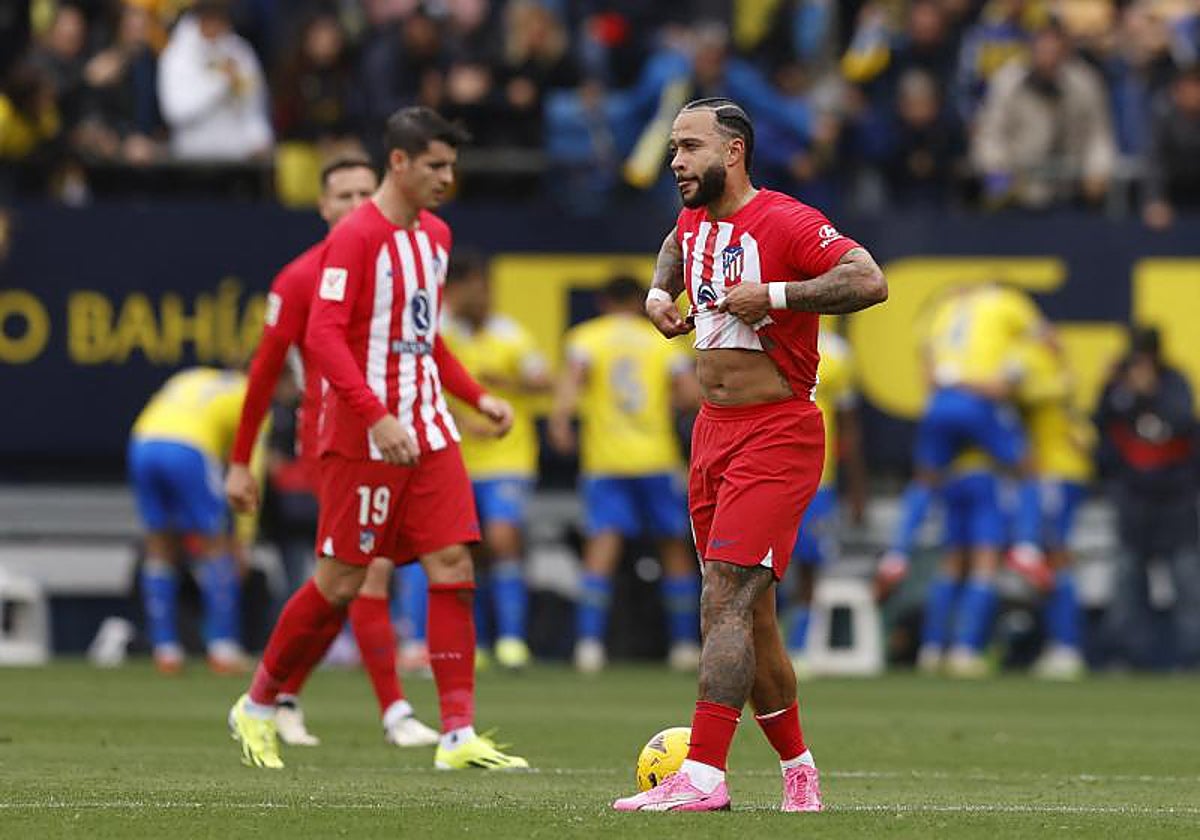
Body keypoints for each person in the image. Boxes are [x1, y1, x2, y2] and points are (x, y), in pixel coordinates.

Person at [227, 106, 528, 772]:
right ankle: (258, 703)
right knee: (340, 580)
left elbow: (424, 339)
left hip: (427, 427)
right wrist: (374, 415)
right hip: (364, 437)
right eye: (436, 166)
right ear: (401, 162)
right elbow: (323, 338)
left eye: (452, 166)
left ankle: (455, 733)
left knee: (454, 565)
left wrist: (477, 396)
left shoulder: (438, 237)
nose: (448, 178)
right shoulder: (355, 240)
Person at [613, 97, 887, 813]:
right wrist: (655, 292)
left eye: (689, 147)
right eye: (673, 146)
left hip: (776, 432)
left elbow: (868, 279)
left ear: (732, 152)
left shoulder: (786, 221)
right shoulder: (695, 220)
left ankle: (703, 773)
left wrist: (779, 293)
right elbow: (677, 244)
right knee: (751, 616)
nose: (675, 160)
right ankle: (799, 770)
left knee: (723, 598)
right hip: (712, 433)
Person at [225, 157, 440, 749]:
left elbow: (428, 347)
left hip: (399, 438)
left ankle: (280, 694)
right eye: (340, 195)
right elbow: (264, 376)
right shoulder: (299, 278)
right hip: (338, 444)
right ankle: (392, 711)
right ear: (322, 207)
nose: (352, 204)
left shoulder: (401, 266)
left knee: (345, 582)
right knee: (358, 575)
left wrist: (472, 398)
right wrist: (242, 462)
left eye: (363, 193)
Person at [548, 275, 702, 674]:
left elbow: (572, 382)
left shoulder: (586, 338)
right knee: (673, 549)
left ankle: (589, 646)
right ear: (639, 301)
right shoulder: (661, 342)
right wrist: (666, 407)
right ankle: (684, 645)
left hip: (607, 460)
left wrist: (562, 421)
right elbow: (690, 393)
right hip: (656, 457)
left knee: (602, 548)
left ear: (602, 301)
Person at [876, 283, 1049, 600]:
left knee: (926, 478)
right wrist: (1004, 381)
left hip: (940, 402)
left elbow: (928, 367)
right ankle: (1026, 547)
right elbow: (1045, 341)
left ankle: (896, 555)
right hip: (978, 401)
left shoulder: (942, 308)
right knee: (1029, 469)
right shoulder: (1008, 301)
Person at [442, 253, 553, 670]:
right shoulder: (442, 333)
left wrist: (509, 383)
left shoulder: (512, 335)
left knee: (503, 540)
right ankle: (476, 641)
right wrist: (461, 421)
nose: (477, 294)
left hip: (509, 457)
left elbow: (546, 381)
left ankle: (511, 639)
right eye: (468, 286)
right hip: (456, 459)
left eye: (482, 286)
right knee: (461, 552)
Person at [129, 366, 252, 674]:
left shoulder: (190, 376)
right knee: (215, 545)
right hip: (189, 449)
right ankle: (223, 648)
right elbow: (251, 468)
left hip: (142, 442)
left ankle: (165, 648)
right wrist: (243, 539)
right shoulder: (251, 394)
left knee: (159, 546)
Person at [1095, 327, 1200, 669]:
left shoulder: (1173, 382)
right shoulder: (1117, 386)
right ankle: (1126, 656)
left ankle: (1190, 657)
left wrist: (1150, 393)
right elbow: (1102, 428)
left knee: (1187, 581)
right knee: (1128, 580)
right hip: (1134, 498)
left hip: (1176, 498)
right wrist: (1123, 390)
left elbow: (1183, 421)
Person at [783, 327, 865, 670]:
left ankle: (798, 649)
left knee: (808, 565)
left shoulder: (835, 351)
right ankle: (752, 649)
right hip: (765, 471)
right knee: (750, 566)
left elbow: (848, 424)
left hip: (818, 477)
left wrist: (857, 487)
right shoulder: (763, 336)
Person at [1016, 336, 1093, 679]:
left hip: (1055, 472)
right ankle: (1061, 643)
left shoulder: (1031, 361)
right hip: (1064, 470)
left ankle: (1066, 645)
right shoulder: (1061, 368)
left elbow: (1018, 393)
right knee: (1053, 557)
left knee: (1055, 556)